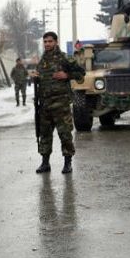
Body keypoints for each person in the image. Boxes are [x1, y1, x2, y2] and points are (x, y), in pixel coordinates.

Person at [33, 31, 85, 174]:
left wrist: (67, 75)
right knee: (45, 135)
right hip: (45, 105)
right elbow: (41, 78)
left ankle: (67, 163)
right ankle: (45, 163)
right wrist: (36, 77)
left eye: (50, 41)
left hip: (61, 105)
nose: (47, 44)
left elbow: (81, 74)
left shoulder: (64, 59)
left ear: (56, 42)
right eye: (45, 42)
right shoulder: (42, 60)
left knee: (65, 135)